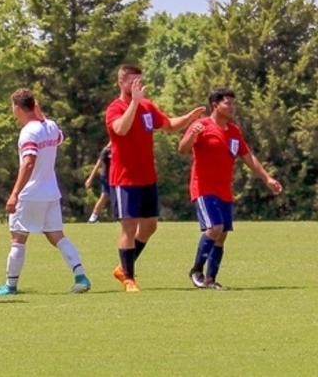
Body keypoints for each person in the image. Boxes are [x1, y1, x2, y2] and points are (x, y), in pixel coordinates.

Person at [106, 64, 203, 292]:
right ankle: (129, 278)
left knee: (149, 226)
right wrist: (134, 103)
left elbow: (168, 125)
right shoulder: (116, 108)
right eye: (133, 82)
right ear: (122, 83)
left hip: (147, 176)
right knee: (129, 228)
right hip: (124, 178)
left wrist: (188, 118)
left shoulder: (148, 107)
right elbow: (121, 129)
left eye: (140, 81)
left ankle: (122, 267)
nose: (138, 86)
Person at [0, 89, 91, 296]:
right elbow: (59, 138)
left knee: (17, 239)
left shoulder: (28, 132)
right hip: (51, 192)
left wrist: (15, 193)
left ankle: (10, 286)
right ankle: (80, 276)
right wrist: (40, 114)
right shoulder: (50, 126)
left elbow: (29, 162)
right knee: (57, 236)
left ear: (16, 107)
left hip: (30, 194)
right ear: (35, 104)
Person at [178, 87, 282, 290]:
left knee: (222, 234)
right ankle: (196, 270)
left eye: (234, 103)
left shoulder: (234, 131)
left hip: (224, 190)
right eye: (228, 103)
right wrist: (192, 137)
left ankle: (210, 280)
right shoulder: (201, 125)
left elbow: (248, 157)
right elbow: (182, 149)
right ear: (215, 105)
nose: (232, 107)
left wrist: (267, 179)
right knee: (214, 227)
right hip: (203, 187)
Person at [85, 144, 112, 223]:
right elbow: (98, 164)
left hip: (117, 176)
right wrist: (90, 178)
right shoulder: (106, 150)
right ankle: (93, 217)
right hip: (106, 176)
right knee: (104, 196)